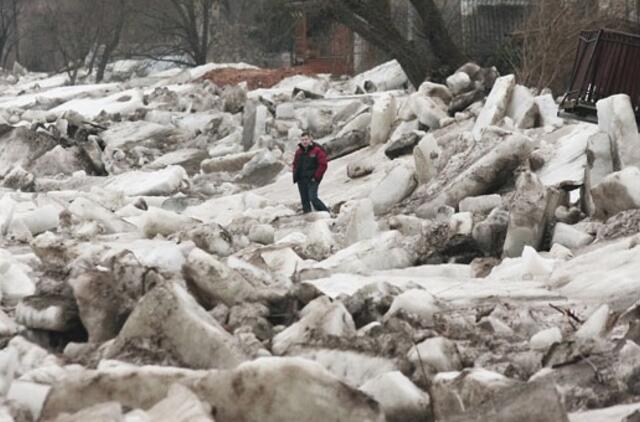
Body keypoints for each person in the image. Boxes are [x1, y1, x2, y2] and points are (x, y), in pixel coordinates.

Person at [292, 131, 330, 214]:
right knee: (305, 201)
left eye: (306, 139)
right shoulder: (299, 152)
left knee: (313, 198)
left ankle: (327, 213)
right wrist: (296, 176)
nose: (304, 142)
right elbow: (295, 164)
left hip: (312, 179)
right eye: (302, 140)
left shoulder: (317, 150)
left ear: (310, 139)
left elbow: (323, 164)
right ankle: (309, 218)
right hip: (301, 180)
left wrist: (316, 177)